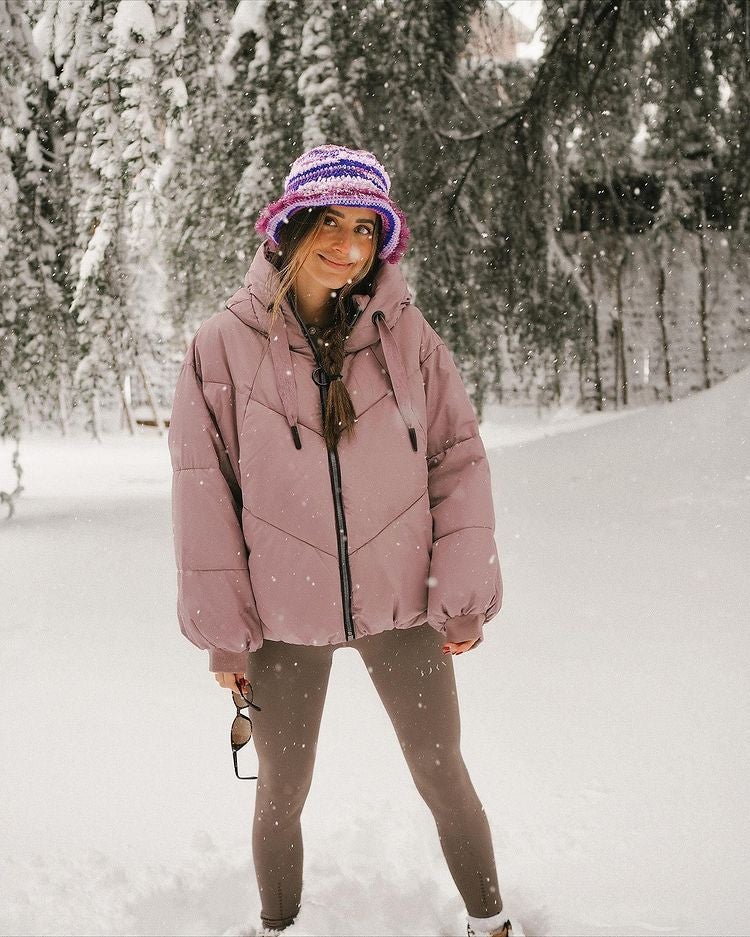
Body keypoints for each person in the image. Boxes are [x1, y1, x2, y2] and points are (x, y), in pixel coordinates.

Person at [167, 144, 524, 937]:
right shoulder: (223, 346)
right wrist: (226, 634)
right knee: (281, 793)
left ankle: (493, 924)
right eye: (330, 223)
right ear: (291, 228)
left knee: (444, 774)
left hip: (405, 605)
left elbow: (457, 458)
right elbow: (204, 495)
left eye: (366, 229)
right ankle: (279, 927)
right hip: (284, 618)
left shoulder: (407, 335)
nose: (349, 246)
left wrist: (461, 594)